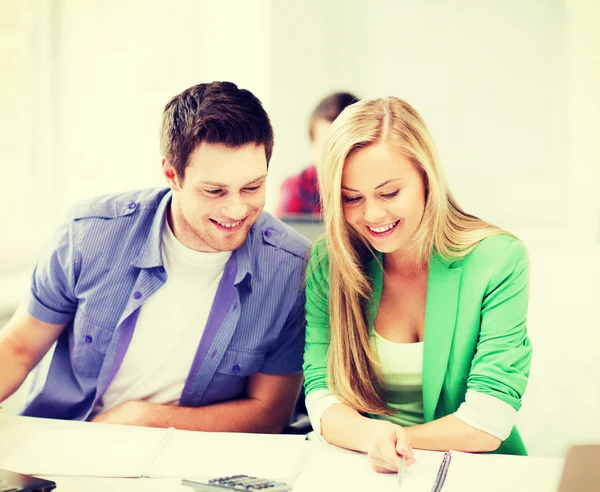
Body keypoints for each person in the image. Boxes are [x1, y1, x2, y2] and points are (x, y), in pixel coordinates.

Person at [0, 81, 310, 434]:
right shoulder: (88, 234)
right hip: (68, 441)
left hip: (192, 460)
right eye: (214, 190)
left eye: (252, 187)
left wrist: (143, 419)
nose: (236, 208)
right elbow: (19, 348)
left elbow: (269, 414)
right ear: (171, 175)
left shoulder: (291, 268)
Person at [303, 97, 532, 473]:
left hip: (475, 473)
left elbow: (488, 420)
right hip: (362, 471)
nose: (372, 215)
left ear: (427, 178)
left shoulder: (498, 260)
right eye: (351, 199)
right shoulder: (329, 262)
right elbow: (322, 394)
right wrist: (372, 441)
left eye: (389, 193)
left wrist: (391, 441)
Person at [277, 91, 359, 216]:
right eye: (325, 148)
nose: (335, 158)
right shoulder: (296, 188)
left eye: (345, 148)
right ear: (312, 145)